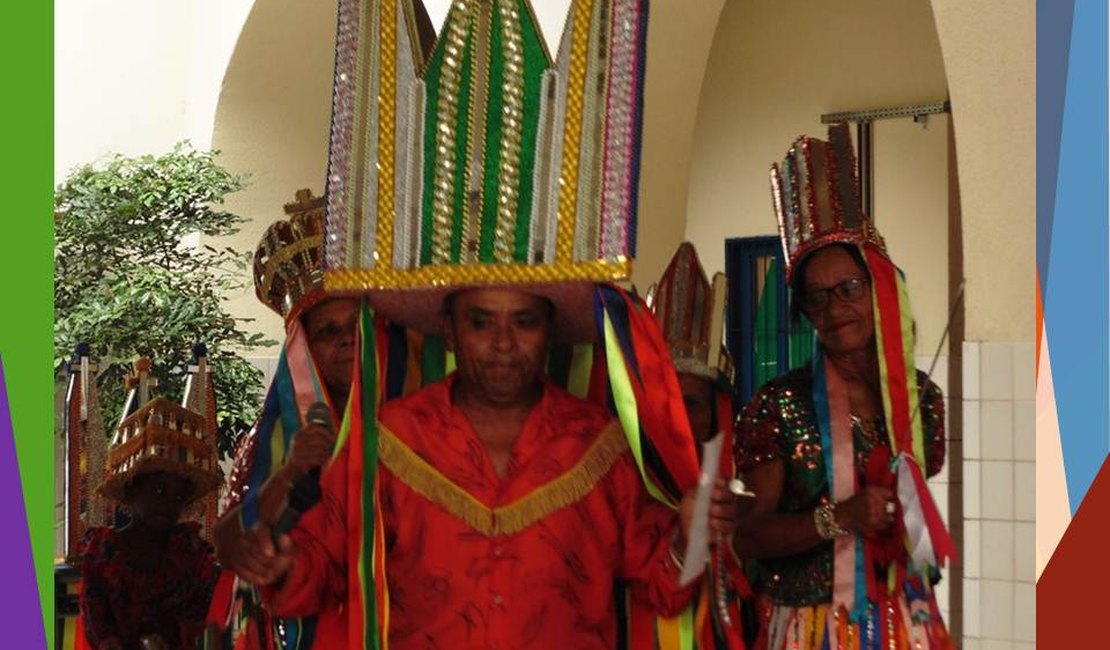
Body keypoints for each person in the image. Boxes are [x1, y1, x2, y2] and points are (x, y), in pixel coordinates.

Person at [731, 124, 954, 649]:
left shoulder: (923, 401)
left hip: (908, 617)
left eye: (848, 288)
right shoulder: (779, 404)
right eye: (817, 298)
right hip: (809, 628)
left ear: (880, 288)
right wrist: (840, 517)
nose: (834, 308)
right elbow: (749, 536)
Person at [210, 189, 361, 649]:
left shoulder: (411, 416)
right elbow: (225, 544)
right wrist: (292, 470)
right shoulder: (268, 438)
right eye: (327, 332)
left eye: (356, 326)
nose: (345, 343)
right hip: (299, 628)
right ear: (302, 349)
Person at [650, 242, 755, 649]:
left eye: (690, 403)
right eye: (666, 401)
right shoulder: (619, 485)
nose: (677, 417)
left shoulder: (737, 505)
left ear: (716, 414)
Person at [81, 359, 222, 650]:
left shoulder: (192, 553)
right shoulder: (102, 553)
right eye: (158, 489)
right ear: (132, 492)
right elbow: (97, 629)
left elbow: (207, 624)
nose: (168, 502)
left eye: (178, 495)